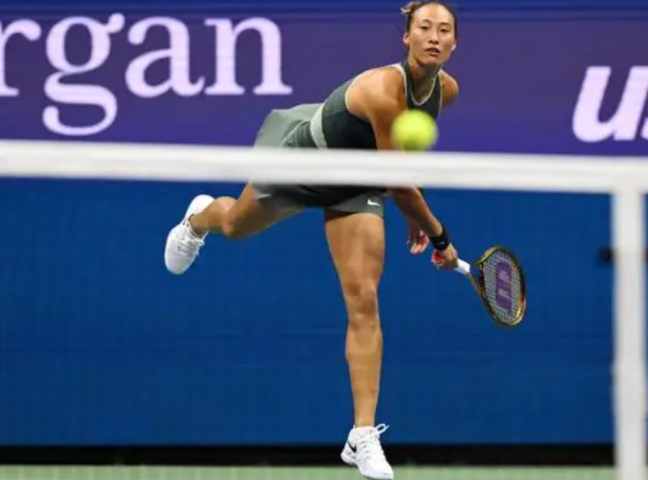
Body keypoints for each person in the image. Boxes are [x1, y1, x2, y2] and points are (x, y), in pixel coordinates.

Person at [163, 1, 459, 478]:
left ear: (454, 42)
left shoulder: (445, 90)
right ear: (405, 36)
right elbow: (398, 176)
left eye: (444, 30)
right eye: (424, 27)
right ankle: (199, 218)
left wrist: (413, 209)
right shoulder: (384, 90)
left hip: (358, 182)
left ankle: (361, 434)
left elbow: (401, 160)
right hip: (302, 162)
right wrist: (438, 234)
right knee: (236, 226)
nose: (433, 36)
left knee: (363, 299)